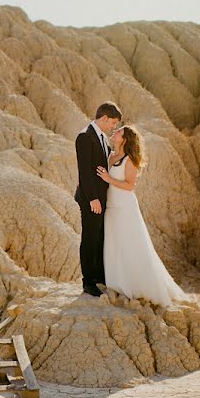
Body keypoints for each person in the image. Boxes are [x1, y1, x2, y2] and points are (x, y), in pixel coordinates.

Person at [96, 125, 182, 306]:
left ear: (125, 139)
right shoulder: (111, 156)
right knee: (113, 243)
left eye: (118, 131)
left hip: (125, 207)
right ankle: (116, 283)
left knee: (131, 244)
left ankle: (135, 286)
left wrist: (108, 179)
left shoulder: (130, 160)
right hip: (110, 206)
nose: (114, 132)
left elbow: (129, 185)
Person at [74, 102, 122, 296]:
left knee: (100, 237)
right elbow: (85, 172)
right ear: (104, 118)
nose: (114, 128)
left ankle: (99, 276)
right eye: (113, 123)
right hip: (90, 198)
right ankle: (88, 282)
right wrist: (93, 198)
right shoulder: (85, 136)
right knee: (90, 238)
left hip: (100, 198)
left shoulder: (100, 137)